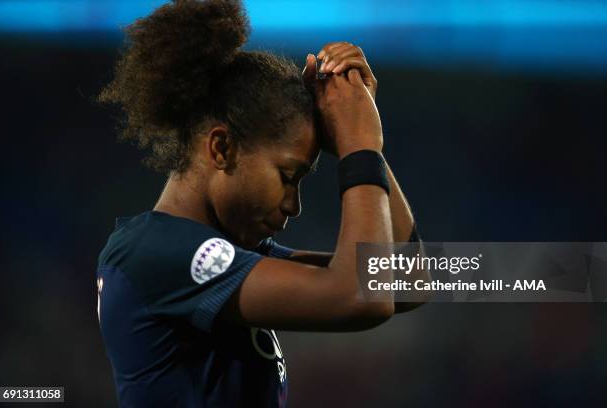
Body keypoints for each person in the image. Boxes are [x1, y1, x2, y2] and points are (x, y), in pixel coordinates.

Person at [96, 0, 429, 406]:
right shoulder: (153, 251)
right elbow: (361, 298)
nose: (295, 206)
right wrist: (360, 143)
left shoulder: (227, 254)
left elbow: (411, 282)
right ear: (221, 148)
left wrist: (356, 147)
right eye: (288, 177)